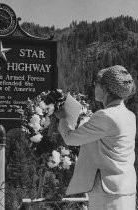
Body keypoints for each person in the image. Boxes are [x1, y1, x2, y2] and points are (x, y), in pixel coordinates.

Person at [55, 65, 137, 210]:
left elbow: (70, 138)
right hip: (126, 187)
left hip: (107, 191)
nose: (94, 88)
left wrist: (62, 119)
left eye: (96, 85)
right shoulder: (130, 115)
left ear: (105, 89)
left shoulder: (106, 115)